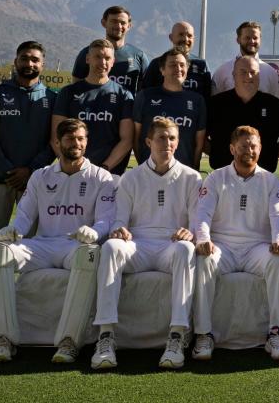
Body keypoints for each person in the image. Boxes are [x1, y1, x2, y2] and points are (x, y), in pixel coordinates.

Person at [0, 119, 115, 364]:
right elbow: (24, 215)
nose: (76, 144)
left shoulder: (102, 177)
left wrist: (94, 234)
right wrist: (12, 230)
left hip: (75, 245)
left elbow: (106, 220)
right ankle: (3, 340)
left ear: (87, 141)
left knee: (89, 255)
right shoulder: (40, 176)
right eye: (70, 139)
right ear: (57, 143)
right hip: (41, 246)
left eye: (81, 139)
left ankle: (69, 342)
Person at [91, 118, 202, 370]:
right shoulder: (130, 178)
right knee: (110, 247)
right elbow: (119, 220)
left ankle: (176, 336)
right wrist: (119, 230)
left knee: (186, 249)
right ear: (149, 141)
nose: (168, 143)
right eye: (162, 138)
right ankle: (106, 336)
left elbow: (197, 224)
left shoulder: (192, 177)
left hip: (171, 245)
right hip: (137, 244)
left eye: (172, 138)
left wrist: (190, 233)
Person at [0, 41, 57, 326]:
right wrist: (9, 171)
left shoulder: (52, 98)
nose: (30, 64)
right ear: (15, 61)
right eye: (25, 58)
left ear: (43, 64)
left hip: (35, 182)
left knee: (35, 242)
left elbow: (52, 142)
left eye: (35, 60)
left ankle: (30, 298)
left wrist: (30, 171)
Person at [193, 126, 279, 362]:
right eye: (244, 145)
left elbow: (278, 216)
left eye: (254, 146)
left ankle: (276, 333)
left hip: (256, 247)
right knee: (204, 259)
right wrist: (204, 239)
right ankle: (203, 334)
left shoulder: (271, 180)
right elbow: (203, 214)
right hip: (223, 246)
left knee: (278, 260)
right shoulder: (216, 177)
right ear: (232, 148)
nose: (250, 150)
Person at [53, 39, 134, 175]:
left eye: (107, 58)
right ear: (88, 59)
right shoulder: (68, 92)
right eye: (98, 57)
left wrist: (104, 168)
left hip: (109, 173)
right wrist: (71, 166)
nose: (103, 62)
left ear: (113, 61)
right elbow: (56, 136)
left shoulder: (124, 95)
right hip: (73, 172)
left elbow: (127, 140)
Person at [207, 56, 279, 172]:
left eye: (253, 72)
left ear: (259, 76)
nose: (249, 76)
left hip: (263, 177)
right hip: (222, 177)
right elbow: (201, 137)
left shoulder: (275, 106)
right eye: (243, 72)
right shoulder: (215, 104)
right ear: (234, 74)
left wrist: (270, 154)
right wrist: (218, 153)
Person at [132, 48, 207, 169]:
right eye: (172, 65)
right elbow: (135, 136)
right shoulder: (145, 96)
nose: (178, 69)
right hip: (150, 172)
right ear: (162, 70)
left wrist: (193, 169)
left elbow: (199, 144)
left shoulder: (197, 100)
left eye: (182, 65)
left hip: (183, 175)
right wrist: (143, 164)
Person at [72, 6, 151, 92]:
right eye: (114, 21)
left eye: (123, 23)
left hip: (126, 105)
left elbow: (145, 92)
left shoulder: (139, 56)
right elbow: (76, 89)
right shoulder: (87, 53)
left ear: (129, 26)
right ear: (104, 23)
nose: (118, 26)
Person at [140, 22, 212, 96]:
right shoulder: (156, 63)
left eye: (189, 36)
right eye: (181, 34)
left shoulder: (202, 65)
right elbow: (145, 95)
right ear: (171, 37)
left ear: (194, 39)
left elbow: (208, 97)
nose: (185, 39)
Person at [211, 21, 279, 97]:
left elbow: (276, 103)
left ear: (260, 40)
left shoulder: (270, 73)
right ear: (238, 40)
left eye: (255, 38)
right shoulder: (222, 71)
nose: (252, 41)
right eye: (247, 38)